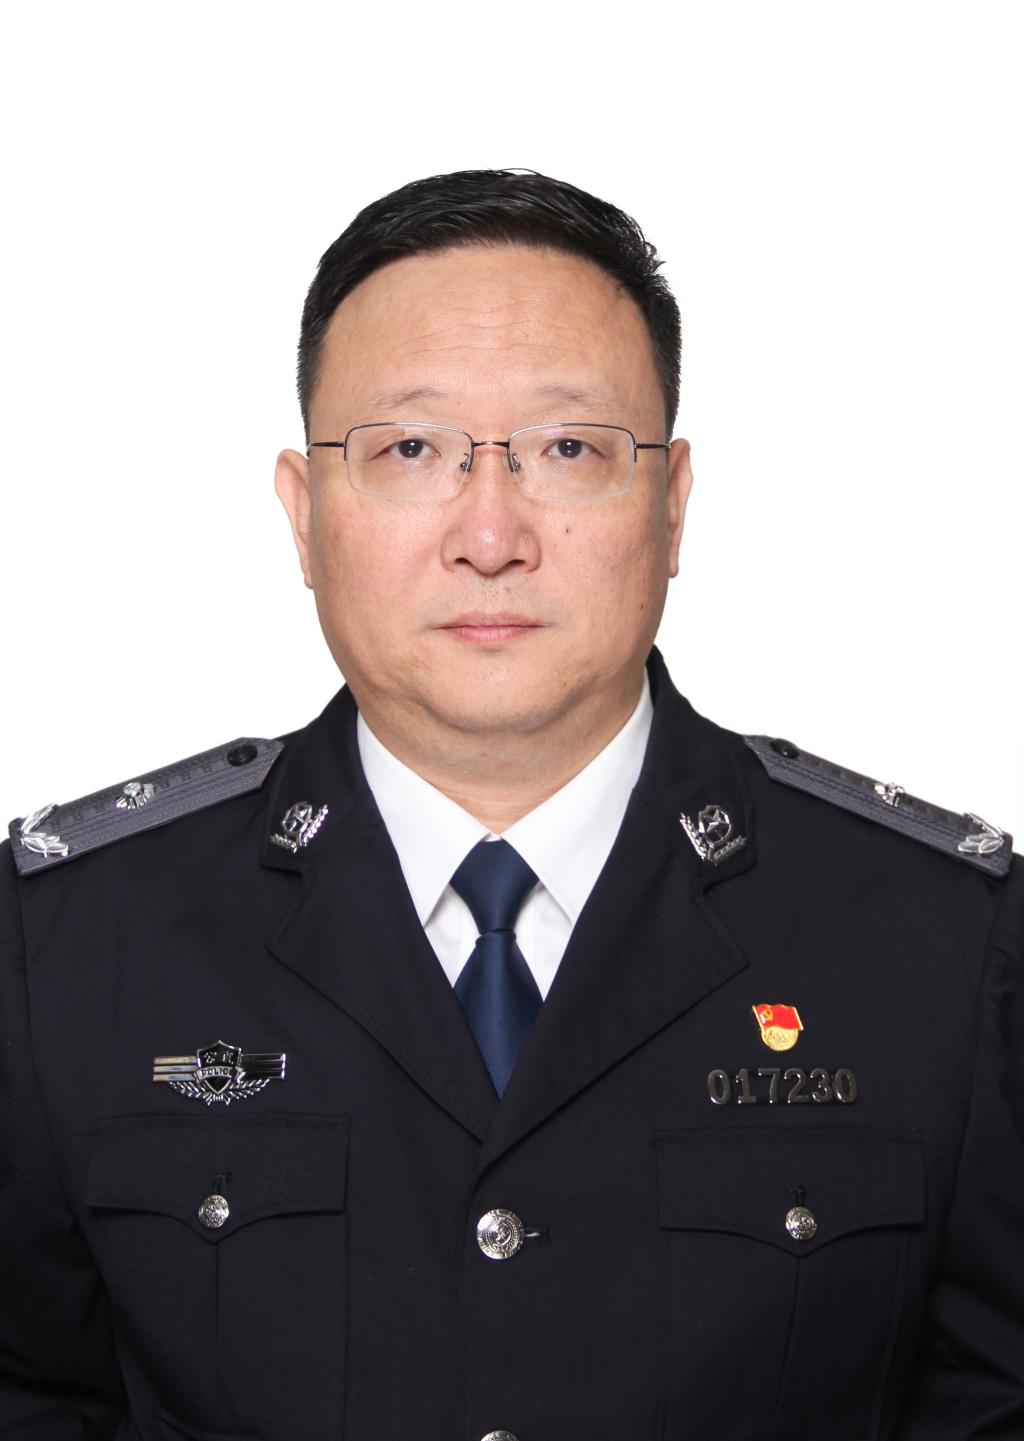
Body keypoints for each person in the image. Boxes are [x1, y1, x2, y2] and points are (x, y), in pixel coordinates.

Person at [1, 168, 1021, 1441]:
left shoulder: (943, 941)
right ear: (305, 516)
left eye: (567, 449)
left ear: (671, 504)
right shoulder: (66, 945)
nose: (490, 535)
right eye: (410, 450)